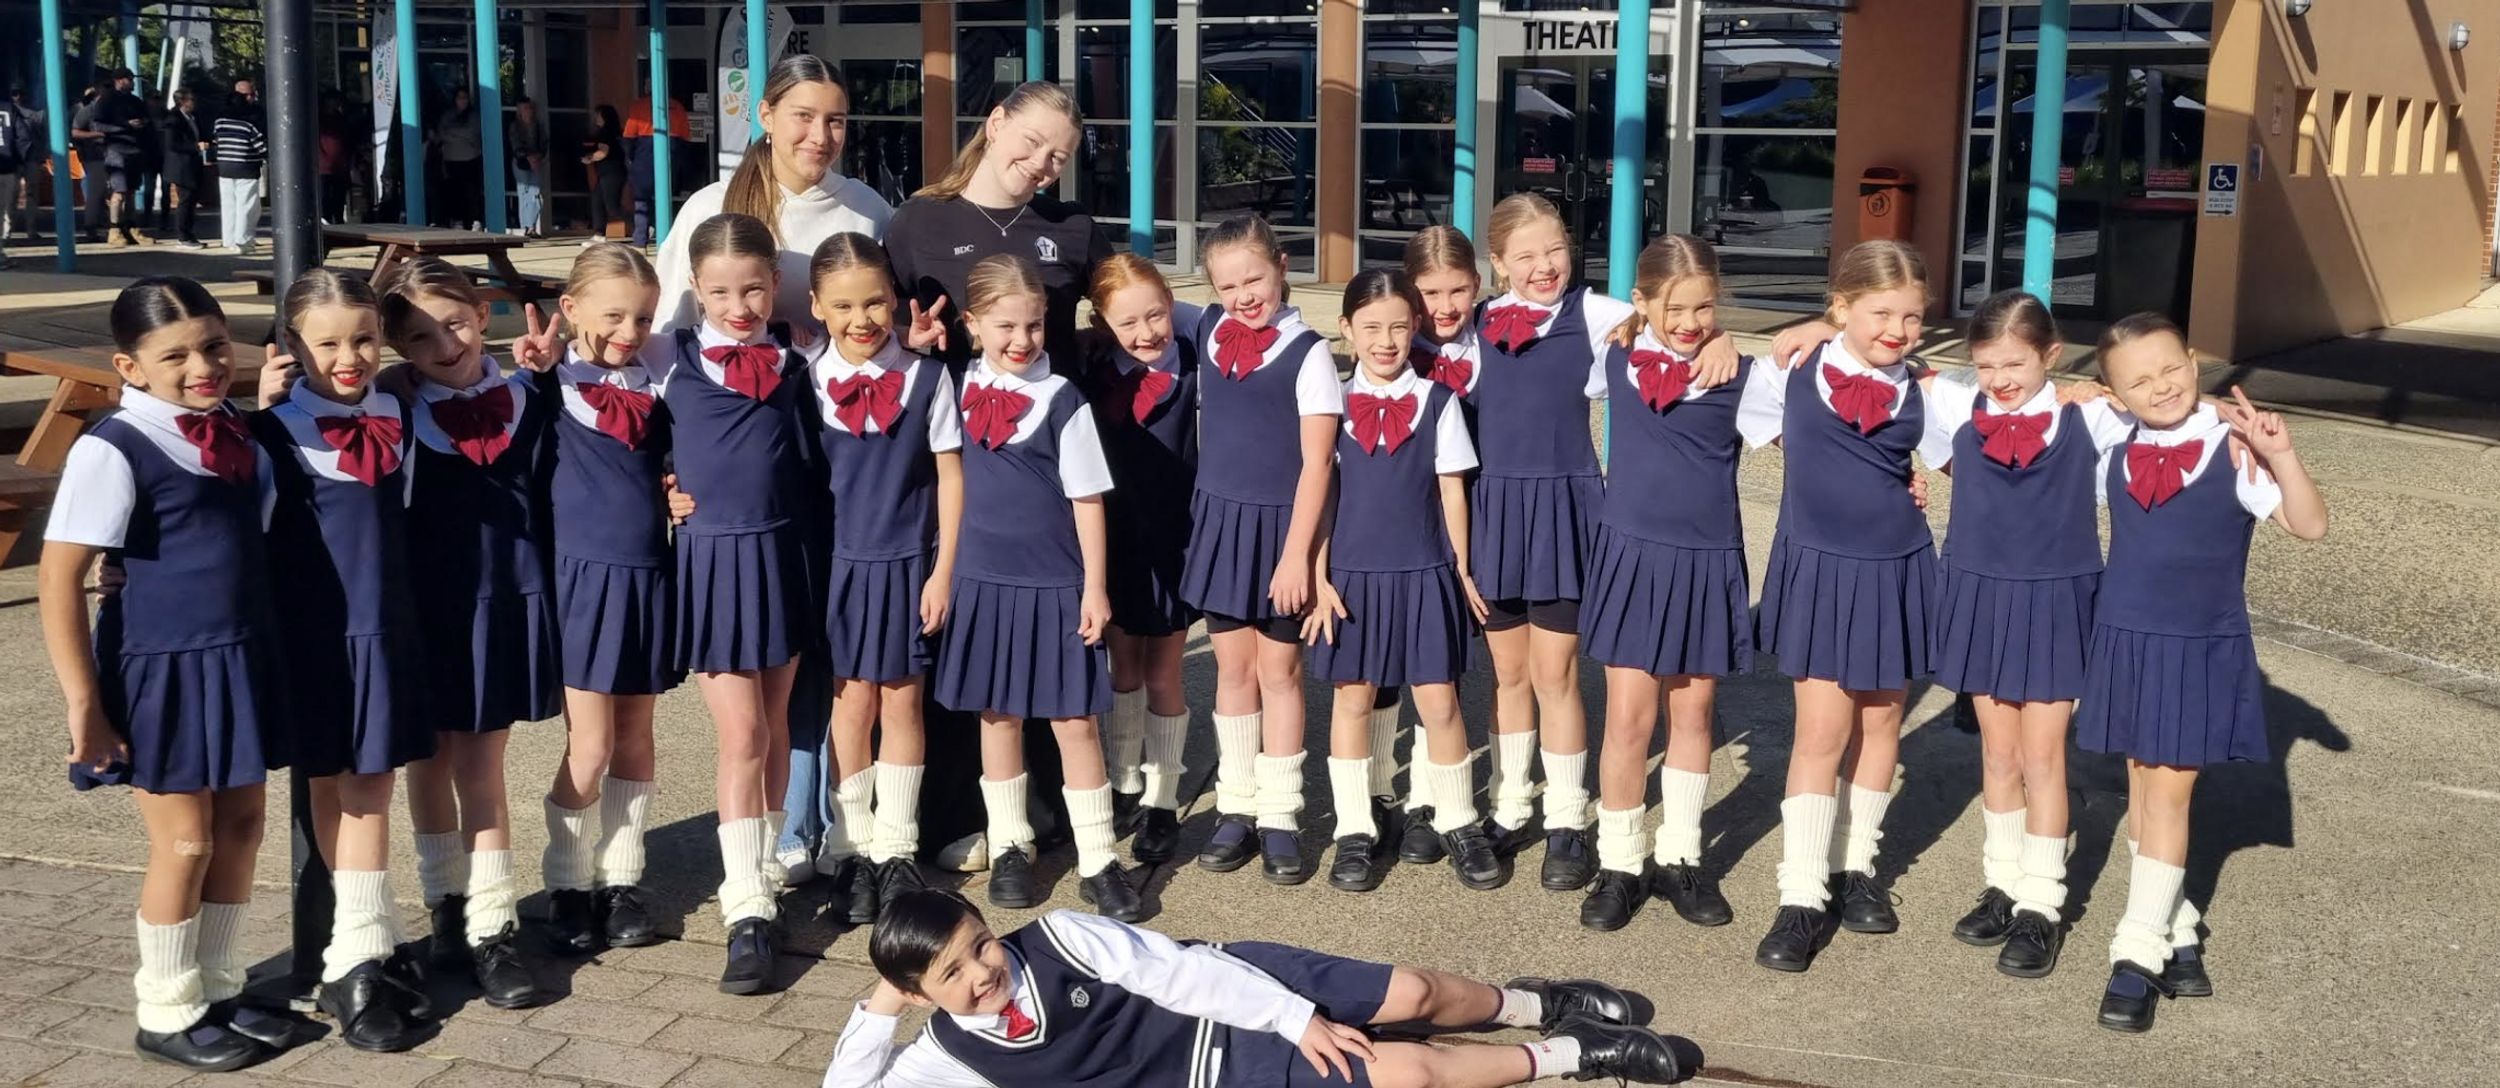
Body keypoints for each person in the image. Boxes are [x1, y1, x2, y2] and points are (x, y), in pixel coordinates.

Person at [38, 277, 295, 1072]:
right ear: (130, 366)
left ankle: (217, 986)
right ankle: (165, 1007)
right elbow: (59, 578)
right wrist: (85, 706)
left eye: (214, 347)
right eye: (175, 356)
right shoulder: (112, 446)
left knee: (243, 828)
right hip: (161, 669)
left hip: (238, 655)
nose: (202, 367)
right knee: (185, 842)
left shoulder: (234, 430)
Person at [2078, 317, 2326, 1032]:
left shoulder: (2233, 448)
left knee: (2167, 796)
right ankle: (2178, 929)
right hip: (2125, 639)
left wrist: (2282, 455)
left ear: (2193, 361)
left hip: (2196, 646)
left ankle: (2135, 954)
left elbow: (2309, 525)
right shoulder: (2110, 441)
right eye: (2138, 381)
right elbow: (2020, 398)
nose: (2160, 387)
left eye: (2170, 368)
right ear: (2115, 395)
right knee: (2142, 787)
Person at [829, 889, 1693, 1087]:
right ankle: (1576, 1052)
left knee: (1414, 993)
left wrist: (1293, 1016)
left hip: (1234, 988)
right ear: (918, 994)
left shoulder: (1060, 937)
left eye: (980, 944)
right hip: (1211, 1073)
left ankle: (1533, 1002)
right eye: (952, 974)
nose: (984, 971)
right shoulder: (944, 1055)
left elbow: (1180, 972)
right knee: (1409, 1075)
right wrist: (879, 1006)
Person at [1900, 291, 2129, 977]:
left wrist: (2112, 386)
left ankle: (2042, 904)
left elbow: (2171, 412)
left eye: (2016, 364)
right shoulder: (1958, 404)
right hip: (1979, 593)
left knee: (2042, 758)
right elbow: (1882, 369)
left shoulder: (2089, 416)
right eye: (1987, 365)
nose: (2000, 379)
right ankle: (2002, 884)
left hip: (2056, 598)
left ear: (2050, 355)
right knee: (1998, 757)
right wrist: (1810, 330)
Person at [1732, 240, 1939, 973]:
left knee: (1881, 724)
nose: (1898, 330)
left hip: (1897, 567)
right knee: (1821, 734)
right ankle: (1800, 895)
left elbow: (2008, 425)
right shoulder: (1791, 369)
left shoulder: (1931, 389)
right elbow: (1717, 392)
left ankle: (1856, 868)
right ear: (1843, 306)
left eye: (1912, 317)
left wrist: (2082, 398)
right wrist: (1793, 332)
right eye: (1881, 313)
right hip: (1820, 570)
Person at [1576, 234, 1788, 934]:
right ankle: (1619, 863)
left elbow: (1823, 392)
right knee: (1628, 721)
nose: (1692, 322)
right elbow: (1538, 304)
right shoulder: (1612, 347)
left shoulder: (1742, 375)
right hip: (1632, 560)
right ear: (1640, 300)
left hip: (1705, 560)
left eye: (1706, 308)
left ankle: (1681, 858)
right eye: (1676, 308)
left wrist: (1746, 338)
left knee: (1693, 717)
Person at [248, 270, 438, 1051]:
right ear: (292, 346)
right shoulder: (270, 434)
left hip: (384, 633)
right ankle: (359, 956)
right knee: (339, 790)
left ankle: (358, 956)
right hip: (317, 642)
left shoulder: (398, 415)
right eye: (327, 343)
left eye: (363, 339)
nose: (349, 357)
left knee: (367, 792)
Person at [931, 254, 1142, 922]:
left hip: (1055, 582)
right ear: (972, 324)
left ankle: (1099, 857)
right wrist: (945, 575)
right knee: (998, 716)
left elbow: (1088, 500)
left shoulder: (1062, 399)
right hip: (982, 580)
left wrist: (1094, 588)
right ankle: (1010, 844)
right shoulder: (954, 387)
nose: (1021, 340)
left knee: (1074, 722)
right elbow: (948, 485)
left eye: (1033, 325)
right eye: (1005, 327)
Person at [377, 256, 556, 1011]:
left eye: (454, 324)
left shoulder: (528, 395)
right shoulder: (393, 411)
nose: (445, 346)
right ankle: (444, 906)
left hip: (499, 603)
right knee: (430, 761)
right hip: (427, 609)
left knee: (482, 767)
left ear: (482, 314)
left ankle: (493, 925)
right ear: (399, 348)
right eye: (421, 338)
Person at [658, 214, 820, 994]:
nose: (738, 305)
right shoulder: (669, 357)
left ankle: (769, 866)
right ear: (695, 288)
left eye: (753, 289)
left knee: (778, 724)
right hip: (715, 560)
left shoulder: (797, 357)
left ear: (775, 284)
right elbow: (614, 429)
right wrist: (658, 492)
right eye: (720, 292)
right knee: (743, 734)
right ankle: (745, 906)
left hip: (782, 555)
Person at [508, 243, 680, 955]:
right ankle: (568, 881)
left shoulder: (657, 383)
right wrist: (531, 373)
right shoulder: (551, 385)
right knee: (592, 742)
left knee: (637, 734)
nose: (629, 332)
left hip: (647, 576)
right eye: (613, 316)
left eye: (642, 318)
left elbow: (676, 462)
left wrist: (678, 489)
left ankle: (622, 878)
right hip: (582, 583)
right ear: (570, 309)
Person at [1302, 270, 1486, 894]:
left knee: (1440, 702)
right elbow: (1323, 497)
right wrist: (1318, 573)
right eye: (1372, 328)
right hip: (1352, 578)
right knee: (1353, 701)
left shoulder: (1438, 401)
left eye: (1400, 328)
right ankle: (1355, 827)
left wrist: (1460, 567)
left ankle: (1456, 819)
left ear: (1415, 330)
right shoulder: (1331, 407)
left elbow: (1451, 490)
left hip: (1425, 571)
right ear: (1346, 329)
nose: (1386, 341)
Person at [797, 233, 960, 925]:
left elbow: (951, 479)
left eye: (873, 302)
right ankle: (851, 848)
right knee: (850, 705)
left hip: (907, 565)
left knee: (902, 705)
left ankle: (896, 850)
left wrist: (943, 570)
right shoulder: (803, 381)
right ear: (816, 306)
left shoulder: (928, 378)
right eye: (842, 306)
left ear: (894, 299)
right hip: (837, 567)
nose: (861, 319)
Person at [1180, 215, 1343, 886]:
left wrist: (1297, 556)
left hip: (1281, 533)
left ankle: (1279, 813)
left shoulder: (1308, 353)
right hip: (1221, 526)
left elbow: (1318, 465)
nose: (1243, 295)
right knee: (1233, 672)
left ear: (1281, 266)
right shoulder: (1208, 329)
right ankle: (1236, 807)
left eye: (1254, 278)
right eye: (1227, 285)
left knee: (1280, 674)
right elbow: (1134, 307)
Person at [1078, 254, 1199, 867]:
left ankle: (1163, 798)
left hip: (1176, 539)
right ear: (1103, 322)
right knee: (1122, 666)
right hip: (1118, 538)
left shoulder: (1196, 363)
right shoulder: (1092, 370)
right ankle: (1125, 781)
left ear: (1172, 305)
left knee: (1164, 673)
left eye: (1156, 315)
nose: (1146, 332)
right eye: (1128, 322)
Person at [654, 56, 891, 340]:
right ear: (766, 116)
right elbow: (671, 327)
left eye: (834, 121)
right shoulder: (709, 208)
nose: (820, 136)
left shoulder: (868, 208)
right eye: (804, 116)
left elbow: (889, 319)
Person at [885, 80, 1110, 373]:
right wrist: (905, 334)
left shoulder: (1072, 226)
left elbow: (1134, 306)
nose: (1039, 163)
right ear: (996, 124)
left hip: (1054, 401)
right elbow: (883, 319)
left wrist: (1092, 342)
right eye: (1032, 141)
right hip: (953, 399)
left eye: (1057, 158)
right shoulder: (918, 220)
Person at [212, 82, 266, 254]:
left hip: (224, 167)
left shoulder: (220, 122)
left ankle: (228, 239)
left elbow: (216, 140)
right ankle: (243, 241)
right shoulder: (248, 125)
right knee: (246, 205)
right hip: (246, 167)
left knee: (228, 205)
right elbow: (261, 147)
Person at [160, 90, 207, 249]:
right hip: (180, 166)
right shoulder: (173, 118)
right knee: (185, 200)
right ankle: (183, 236)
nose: (194, 102)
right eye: (191, 99)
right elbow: (172, 144)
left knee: (192, 200)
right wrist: (195, 146)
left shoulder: (193, 117)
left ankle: (189, 233)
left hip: (193, 164)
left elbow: (199, 134)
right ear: (182, 101)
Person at [434, 87, 483, 230]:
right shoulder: (447, 115)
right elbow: (441, 134)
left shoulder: (474, 116)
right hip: (451, 161)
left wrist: (452, 134)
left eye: (465, 98)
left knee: (471, 192)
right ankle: (456, 220)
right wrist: (461, 136)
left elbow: (472, 133)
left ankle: (473, 221)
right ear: (455, 100)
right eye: (460, 98)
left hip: (470, 160)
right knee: (454, 192)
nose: (463, 101)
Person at [582, 105, 626, 242]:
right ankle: (599, 234)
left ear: (605, 117)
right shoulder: (616, 132)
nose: (596, 117)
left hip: (611, 173)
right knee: (597, 201)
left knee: (612, 207)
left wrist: (589, 158)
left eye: (598, 115)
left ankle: (643, 224)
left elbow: (603, 152)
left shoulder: (605, 132)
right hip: (609, 173)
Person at [0, 85, 31, 264]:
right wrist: (19, 162)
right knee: (5, 208)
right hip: (7, 166)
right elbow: (23, 138)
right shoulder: (9, 109)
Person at [509, 97, 548, 236]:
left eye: (530, 108)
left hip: (537, 162)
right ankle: (526, 227)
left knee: (535, 195)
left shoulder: (538, 126)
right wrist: (528, 156)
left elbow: (544, 143)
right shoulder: (515, 127)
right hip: (521, 163)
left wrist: (538, 157)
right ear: (519, 111)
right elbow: (515, 145)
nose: (528, 111)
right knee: (524, 194)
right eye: (525, 108)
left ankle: (531, 226)